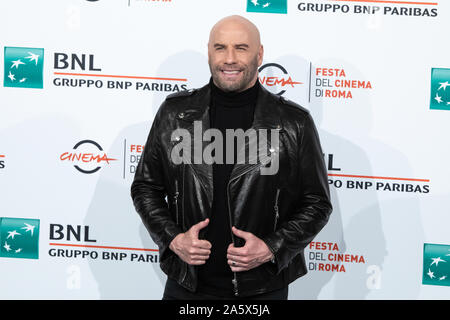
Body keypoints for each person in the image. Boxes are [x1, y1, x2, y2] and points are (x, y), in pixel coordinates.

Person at [130, 15, 332, 300]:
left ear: (260, 54)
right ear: (209, 51)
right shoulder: (176, 114)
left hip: (262, 289)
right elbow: (145, 187)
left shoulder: (293, 122)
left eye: (241, 47)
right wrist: (173, 239)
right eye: (220, 47)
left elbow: (317, 203)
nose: (229, 58)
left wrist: (272, 247)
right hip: (188, 287)